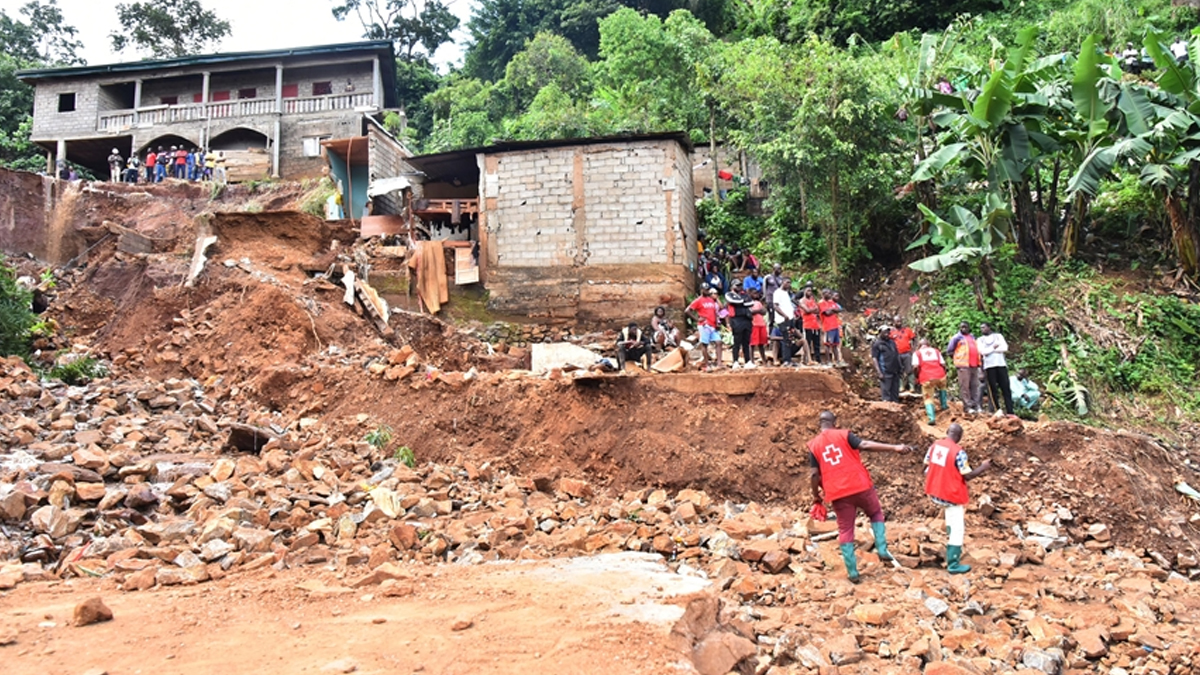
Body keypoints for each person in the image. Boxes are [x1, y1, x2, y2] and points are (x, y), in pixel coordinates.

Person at [808, 410, 912, 583]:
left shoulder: (814, 445)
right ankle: (882, 548)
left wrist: (816, 497)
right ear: (835, 422)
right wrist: (894, 447)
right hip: (860, 485)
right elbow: (864, 445)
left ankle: (853, 572)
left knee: (846, 529)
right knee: (876, 513)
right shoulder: (843, 434)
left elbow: (813, 475)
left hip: (838, 493)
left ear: (820, 424)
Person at [924, 424, 992, 574]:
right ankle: (953, 564)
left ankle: (949, 541)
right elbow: (967, 475)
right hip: (950, 494)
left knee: (950, 520)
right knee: (957, 529)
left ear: (947, 432)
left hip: (936, 490)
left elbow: (928, 465)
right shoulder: (958, 452)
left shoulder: (935, 445)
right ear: (960, 437)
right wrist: (983, 467)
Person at [977, 322, 1013, 415]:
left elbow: (1004, 348)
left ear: (989, 327)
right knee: (993, 389)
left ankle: (1010, 410)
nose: (982, 329)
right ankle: (997, 409)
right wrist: (994, 347)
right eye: (981, 328)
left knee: (1005, 388)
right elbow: (983, 352)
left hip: (1001, 364)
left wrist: (990, 350)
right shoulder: (980, 340)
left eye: (984, 327)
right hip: (989, 366)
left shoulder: (998, 336)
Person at [947, 322, 983, 413]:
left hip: (974, 365)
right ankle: (967, 406)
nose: (963, 328)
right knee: (965, 386)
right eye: (961, 327)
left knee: (975, 386)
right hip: (963, 365)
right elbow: (950, 351)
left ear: (969, 327)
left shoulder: (972, 337)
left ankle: (976, 405)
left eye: (965, 327)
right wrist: (958, 360)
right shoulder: (956, 338)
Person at [913, 338, 949, 424]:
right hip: (940, 375)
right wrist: (944, 373)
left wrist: (917, 376)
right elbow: (943, 364)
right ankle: (944, 405)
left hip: (927, 377)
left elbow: (915, 366)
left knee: (928, 397)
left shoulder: (917, 353)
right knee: (942, 387)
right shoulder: (936, 351)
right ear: (928, 344)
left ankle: (932, 418)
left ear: (919, 345)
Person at [686, 287, 723, 371]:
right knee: (705, 344)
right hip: (704, 325)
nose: (707, 291)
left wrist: (717, 322)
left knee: (719, 342)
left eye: (708, 289)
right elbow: (688, 310)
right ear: (701, 290)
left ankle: (719, 364)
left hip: (713, 325)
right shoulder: (698, 300)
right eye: (705, 289)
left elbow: (715, 312)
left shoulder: (711, 300)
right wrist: (696, 319)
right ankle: (707, 365)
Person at [871, 325, 902, 403]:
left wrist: (900, 367)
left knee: (895, 392)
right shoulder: (877, 344)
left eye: (888, 332)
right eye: (885, 332)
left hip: (895, 370)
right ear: (880, 333)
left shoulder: (892, 342)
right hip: (885, 371)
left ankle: (896, 407)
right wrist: (879, 372)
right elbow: (875, 358)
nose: (887, 334)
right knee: (886, 392)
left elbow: (896, 354)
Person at [727, 287, 754, 369]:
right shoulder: (729, 295)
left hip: (747, 320)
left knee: (746, 342)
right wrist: (742, 301)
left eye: (739, 285)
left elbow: (750, 303)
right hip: (736, 321)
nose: (738, 287)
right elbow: (735, 301)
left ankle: (748, 361)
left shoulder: (745, 295)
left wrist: (741, 302)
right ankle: (735, 361)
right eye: (736, 285)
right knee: (737, 343)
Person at [772, 277, 796, 366]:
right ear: (782, 282)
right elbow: (775, 306)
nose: (789, 284)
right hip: (783, 320)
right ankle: (786, 360)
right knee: (786, 339)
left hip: (790, 319)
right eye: (787, 282)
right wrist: (784, 315)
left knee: (790, 339)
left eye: (790, 283)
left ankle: (789, 360)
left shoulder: (787, 293)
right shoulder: (777, 293)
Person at [890, 317, 916, 392]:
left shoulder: (907, 330)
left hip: (907, 353)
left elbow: (914, 339)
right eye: (897, 321)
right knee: (899, 370)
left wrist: (914, 349)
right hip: (897, 354)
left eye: (900, 321)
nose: (899, 322)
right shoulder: (891, 332)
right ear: (893, 322)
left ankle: (912, 387)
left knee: (909, 370)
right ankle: (901, 386)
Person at [820, 290, 845, 366]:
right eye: (828, 293)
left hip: (835, 325)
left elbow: (839, 309)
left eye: (830, 293)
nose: (830, 294)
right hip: (828, 326)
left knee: (835, 344)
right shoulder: (821, 303)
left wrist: (832, 310)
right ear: (823, 294)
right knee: (827, 344)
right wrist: (833, 310)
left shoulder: (831, 302)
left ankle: (837, 361)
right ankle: (828, 361)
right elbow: (827, 313)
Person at [798, 285, 821, 365]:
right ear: (804, 291)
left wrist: (811, 310)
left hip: (816, 325)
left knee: (817, 344)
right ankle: (806, 360)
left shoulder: (813, 300)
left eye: (810, 291)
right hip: (807, 325)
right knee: (807, 343)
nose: (810, 292)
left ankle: (818, 360)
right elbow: (806, 311)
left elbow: (818, 310)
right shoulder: (802, 301)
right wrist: (812, 310)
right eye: (808, 291)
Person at [748, 290, 769, 365]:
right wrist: (758, 310)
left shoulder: (758, 302)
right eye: (754, 293)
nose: (756, 295)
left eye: (757, 293)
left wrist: (757, 311)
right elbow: (749, 312)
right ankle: (751, 361)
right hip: (754, 324)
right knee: (752, 344)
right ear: (750, 293)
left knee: (761, 344)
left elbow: (764, 312)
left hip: (761, 324)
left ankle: (764, 361)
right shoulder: (748, 302)